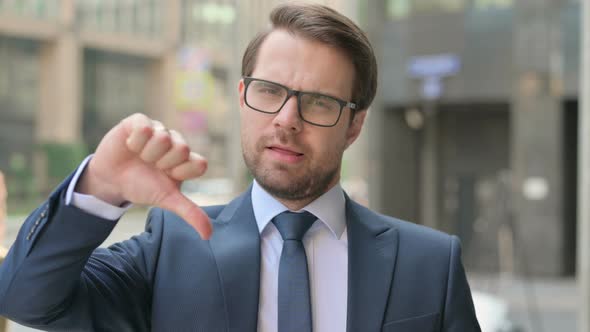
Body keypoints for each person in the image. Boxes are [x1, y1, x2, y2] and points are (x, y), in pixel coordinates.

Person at [0, 3, 480, 332]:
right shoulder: (173, 245)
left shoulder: (430, 264)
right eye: (269, 91)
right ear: (243, 98)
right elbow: (26, 299)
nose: (286, 120)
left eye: (318, 102)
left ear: (354, 126)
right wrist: (99, 187)